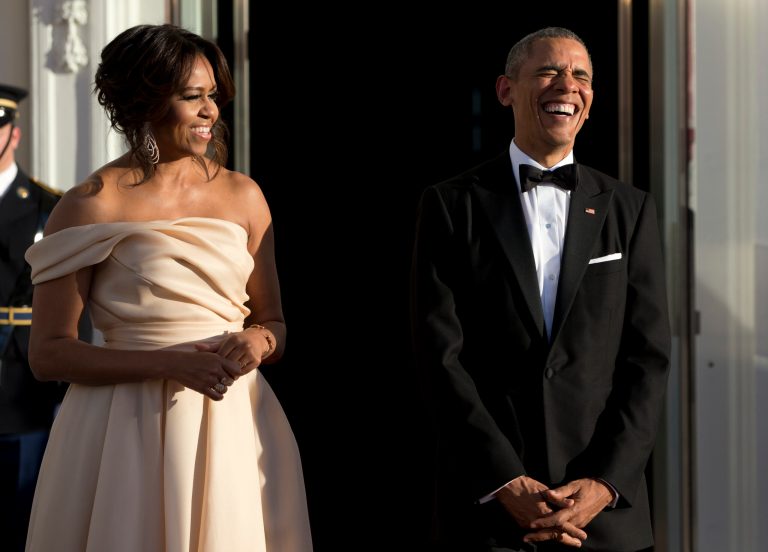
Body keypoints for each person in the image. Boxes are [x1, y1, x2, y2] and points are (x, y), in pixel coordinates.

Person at [23, 24, 312, 551]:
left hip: (231, 423)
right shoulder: (89, 203)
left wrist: (257, 342)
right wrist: (169, 363)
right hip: (120, 432)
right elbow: (48, 355)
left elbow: (274, 322)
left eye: (213, 97)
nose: (211, 112)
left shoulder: (244, 195)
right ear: (146, 101)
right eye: (192, 97)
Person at [410, 27, 670, 552]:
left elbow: (648, 358)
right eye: (549, 71)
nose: (567, 85)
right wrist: (505, 480)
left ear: (591, 101)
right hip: (487, 513)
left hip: (605, 517)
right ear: (506, 90)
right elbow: (439, 356)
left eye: (581, 76)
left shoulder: (630, 208)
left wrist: (604, 482)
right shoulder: (450, 204)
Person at [0, 83, 74, 552]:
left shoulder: (49, 206)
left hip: (20, 383)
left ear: (15, 135)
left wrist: (71, 387)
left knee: (21, 512)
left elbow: (72, 305)